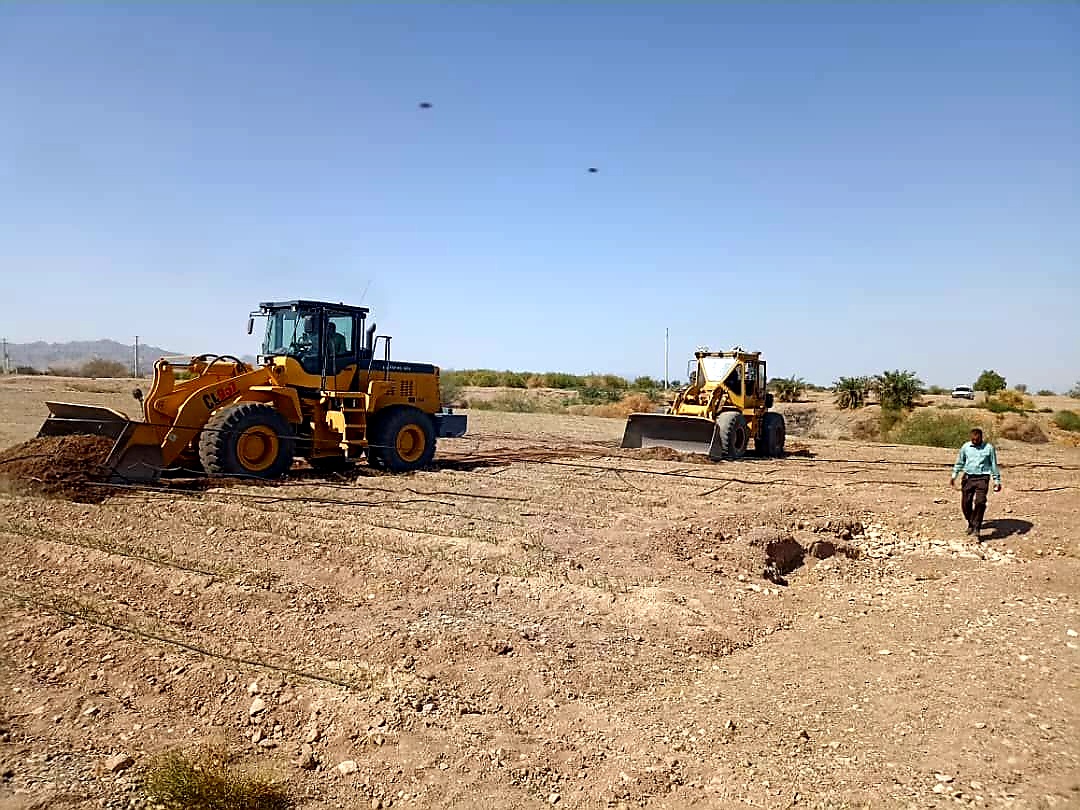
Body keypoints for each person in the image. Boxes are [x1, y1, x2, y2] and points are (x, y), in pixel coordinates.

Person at [950, 428, 1002, 537]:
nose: (974, 441)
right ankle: (971, 523)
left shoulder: (989, 448)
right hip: (968, 478)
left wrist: (997, 480)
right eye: (972, 439)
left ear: (981, 438)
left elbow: (993, 464)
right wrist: (954, 475)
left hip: (982, 478)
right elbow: (960, 462)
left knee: (980, 502)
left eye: (976, 440)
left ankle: (977, 526)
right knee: (965, 503)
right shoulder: (966, 447)